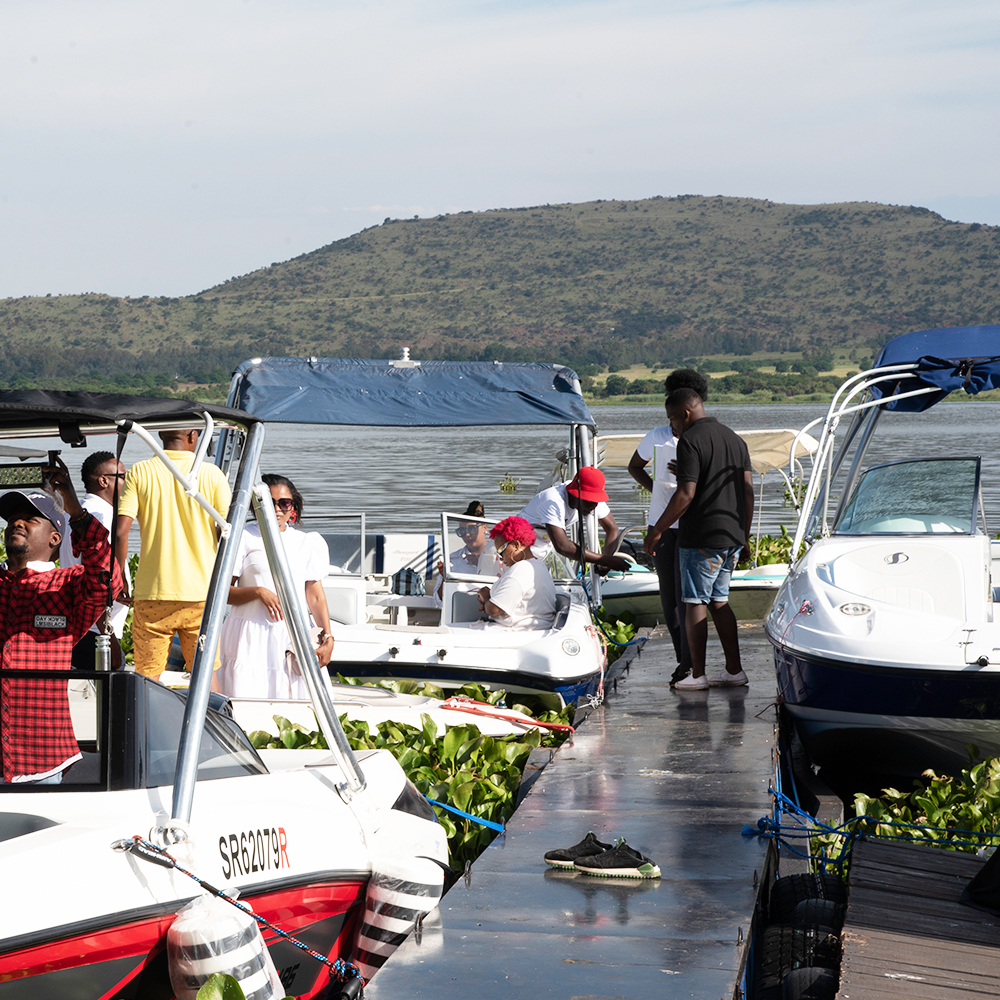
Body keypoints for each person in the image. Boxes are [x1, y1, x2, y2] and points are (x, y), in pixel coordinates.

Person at [0, 464, 123, 784]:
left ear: (55, 537)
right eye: (12, 519)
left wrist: (77, 513)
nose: (17, 523)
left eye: (30, 518)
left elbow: (107, 580)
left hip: (42, 755)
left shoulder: (68, 585)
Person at [644, 388, 754, 690]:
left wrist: (657, 530)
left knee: (694, 602)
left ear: (685, 413)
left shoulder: (690, 441)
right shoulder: (735, 439)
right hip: (731, 535)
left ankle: (697, 674)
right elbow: (747, 492)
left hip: (701, 536)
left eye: (672, 419)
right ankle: (734, 671)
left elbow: (685, 493)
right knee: (719, 601)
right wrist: (744, 536)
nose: (672, 426)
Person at [115, 429, 232, 681]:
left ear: (160, 434)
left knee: (147, 678)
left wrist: (120, 575)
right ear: (193, 436)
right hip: (201, 594)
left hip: (153, 593)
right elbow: (228, 532)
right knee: (205, 677)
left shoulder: (140, 471)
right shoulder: (212, 474)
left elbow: (121, 532)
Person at [217, 474, 334, 699]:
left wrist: (328, 637)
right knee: (245, 697)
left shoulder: (306, 542)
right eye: (269, 502)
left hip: (294, 634)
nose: (277, 509)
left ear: (293, 507)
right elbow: (223, 593)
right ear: (256, 505)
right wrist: (257, 592)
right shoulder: (244, 537)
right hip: (249, 635)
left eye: (284, 503)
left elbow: (316, 597)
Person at [626, 369, 709, 684]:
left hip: (691, 522)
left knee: (687, 597)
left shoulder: (701, 437)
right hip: (661, 521)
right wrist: (656, 489)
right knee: (669, 598)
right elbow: (635, 466)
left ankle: (690, 662)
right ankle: (682, 659)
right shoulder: (657, 436)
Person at [58, 450, 130, 670]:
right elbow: (95, 575)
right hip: (98, 630)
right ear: (103, 481)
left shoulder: (75, 512)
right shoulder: (102, 517)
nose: (128, 483)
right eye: (123, 476)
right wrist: (107, 635)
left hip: (81, 625)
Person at [517, 467, 628, 575]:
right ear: (576, 493)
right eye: (589, 501)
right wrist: (604, 560)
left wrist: (606, 559)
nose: (593, 506)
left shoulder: (592, 501)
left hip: (543, 546)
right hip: (518, 546)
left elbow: (612, 528)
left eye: (596, 502)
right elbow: (562, 546)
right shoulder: (553, 501)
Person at [476, 516, 558, 629]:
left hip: (516, 631)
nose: (500, 558)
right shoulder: (539, 565)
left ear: (516, 545)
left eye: (501, 551)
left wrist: (486, 598)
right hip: (532, 629)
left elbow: (494, 609)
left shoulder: (521, 569)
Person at [434, 500, 502, 602]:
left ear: (485, 527)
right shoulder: (452, 560)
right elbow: (439, 602)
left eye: (472, 529)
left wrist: (482, 563)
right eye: (462, 531)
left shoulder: (501, 556)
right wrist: (445, 577)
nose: (467, 534)